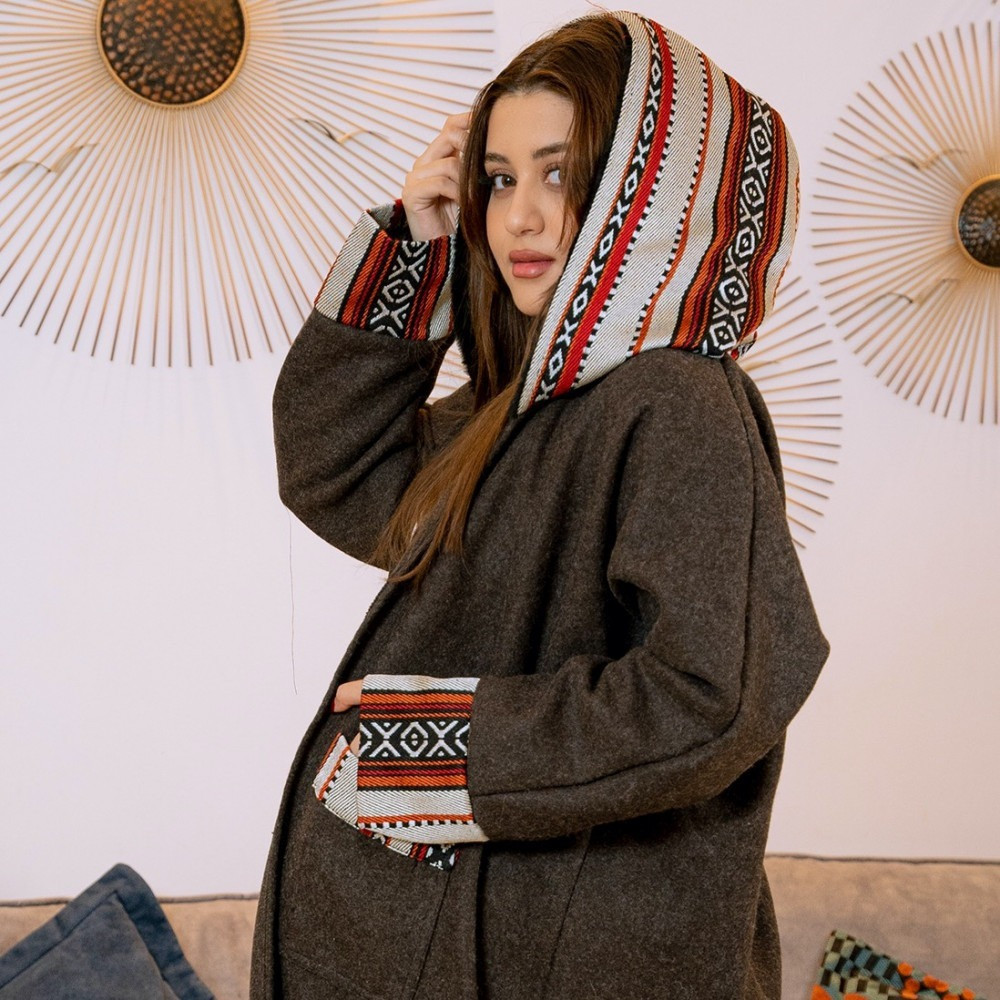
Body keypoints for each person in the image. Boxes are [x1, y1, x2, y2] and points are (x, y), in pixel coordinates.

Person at [251, 10, 829, 999]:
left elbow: (714, 694)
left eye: (560, 174)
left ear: (655, 196)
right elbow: (333, 469)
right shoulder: (527, 410)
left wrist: (442, 751)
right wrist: (419, 245)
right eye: (499, 177)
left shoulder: (676, 400)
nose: (518, 215)